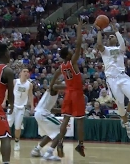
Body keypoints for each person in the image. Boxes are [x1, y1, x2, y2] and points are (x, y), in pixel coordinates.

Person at [94, 21, 130, 140]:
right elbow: (99, 44)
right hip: (112, 80)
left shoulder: (120, 49)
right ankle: (127, 124)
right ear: (107, 41)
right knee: (119, 104)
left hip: (123, 76)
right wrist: (99, 30)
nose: (111, 37)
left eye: (112, 36)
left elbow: (123, 42)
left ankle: (126, 115)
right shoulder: (105, 50)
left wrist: (116, 31)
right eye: (109, 37)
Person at [49, 18, 85, 158]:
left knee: (65, 120)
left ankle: (60, 142)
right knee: (80, 120)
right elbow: (79, 43)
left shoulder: (62, 67)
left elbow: (54, 77)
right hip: (76, 94)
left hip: (68, 94)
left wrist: (51, 86)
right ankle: (81, 145)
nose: (72, 51)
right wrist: (79, 28)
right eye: (70, 51)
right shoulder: (73, 62)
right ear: (68, 55)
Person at [31, 83, 66, 161]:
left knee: (50, 134)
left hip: (40, 113)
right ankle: (48, 153)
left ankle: (36, 150)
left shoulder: (52, 92)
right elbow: (59, 85)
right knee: (62, 129)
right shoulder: (53, 88)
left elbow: (52, 110)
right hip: (42, 114)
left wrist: (66, 111)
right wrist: (74, 85)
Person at [7, 67, 33, 151]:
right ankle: (5, 141)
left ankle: (17, 142)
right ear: (20, 73)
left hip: (21, 107)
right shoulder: (15, 81)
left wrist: (32, 106)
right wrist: (4, 101)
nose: (26, 73)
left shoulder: (29, 84)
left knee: (17, 126)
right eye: (24, 71)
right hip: (12, 106)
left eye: (27, 71)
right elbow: (8, 91)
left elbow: (30, 96)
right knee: (8, 124)